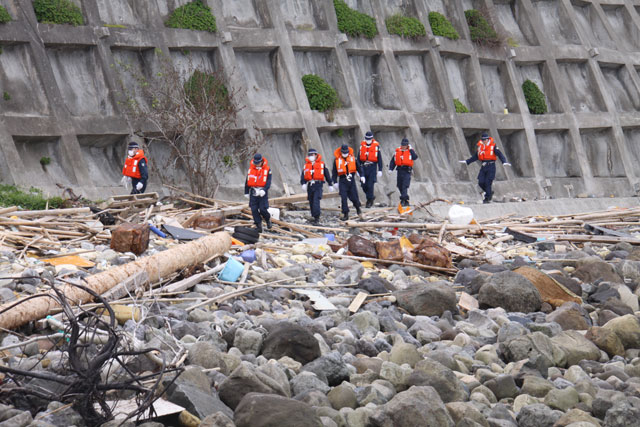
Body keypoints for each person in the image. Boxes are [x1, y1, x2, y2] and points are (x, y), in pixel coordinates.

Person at [459, 132, 511, 203]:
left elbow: (500, 154)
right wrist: (467, 161)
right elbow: (476, 156)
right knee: (481, 182)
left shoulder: (493, 146)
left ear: (488, 139)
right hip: (484, 166)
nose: (484, 141)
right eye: (483, 140)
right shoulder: (481, 147)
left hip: (491, 166)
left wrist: (504, 161)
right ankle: (489, 192)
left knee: (487, 182)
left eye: (485, 140)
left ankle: (487, 198)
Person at [300, 148, 334, 225]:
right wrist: (303, 183)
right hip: (310, 185)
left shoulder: (322, 164)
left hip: (318, 184)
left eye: (312, 155)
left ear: (316, 155)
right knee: (311, 200)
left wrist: (330, 184)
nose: (310, 156)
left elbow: (327, 174)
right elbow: (303, 175)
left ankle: (317, 218)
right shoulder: (306, 165)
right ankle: (313, 216)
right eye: (309, 155)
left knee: (316, 200)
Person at [332, 144, 363, 221]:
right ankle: (345, 213)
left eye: (346, 152)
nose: (345, 154)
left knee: (354, 197)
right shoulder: (336, 161)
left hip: (351, 180)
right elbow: (334, 172)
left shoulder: (353, 159)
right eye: (344, 152)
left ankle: (358, 209)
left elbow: (359, 168)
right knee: (343, 197)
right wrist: (335, 182)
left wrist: (362, 176)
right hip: (342, 180)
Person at [244, 153, 272, 232]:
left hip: (262, 192)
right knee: (254, 209)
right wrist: (246, 191)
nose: (257, 165)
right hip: (253, 191)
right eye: (255, 163)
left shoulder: (267, 170)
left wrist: (264, 190)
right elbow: (247, 181)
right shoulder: (251, 169)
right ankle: (258, 225)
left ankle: (267, 219)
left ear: (261, 161)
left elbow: (268, 182)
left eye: (258, 163)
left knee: (263, 209)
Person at [389, 138, 418, 207]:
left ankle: (402, 200)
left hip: (407, 170)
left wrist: (411, 150)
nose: (403, 146)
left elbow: (415, 157)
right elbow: (393, 161)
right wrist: (390, 169)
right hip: (399, 170)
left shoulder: (411, 151)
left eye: (404, 145)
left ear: (407, 145)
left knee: (405, 185)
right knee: (399, 185)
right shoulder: (397, 151)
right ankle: (406, 199)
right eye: (402, 145)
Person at [358, 131, 383, 208]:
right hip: (364, 167)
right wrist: (358, 170)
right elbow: (358, 159)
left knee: (370, 184)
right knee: (363, 185)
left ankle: (369, 201)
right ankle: (371, 197)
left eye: (369, 139)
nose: (368, 140)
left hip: (372, 167)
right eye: (367, 138)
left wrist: (380, 169)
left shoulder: (376, 147)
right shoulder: (362, 146)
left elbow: (379, 158)